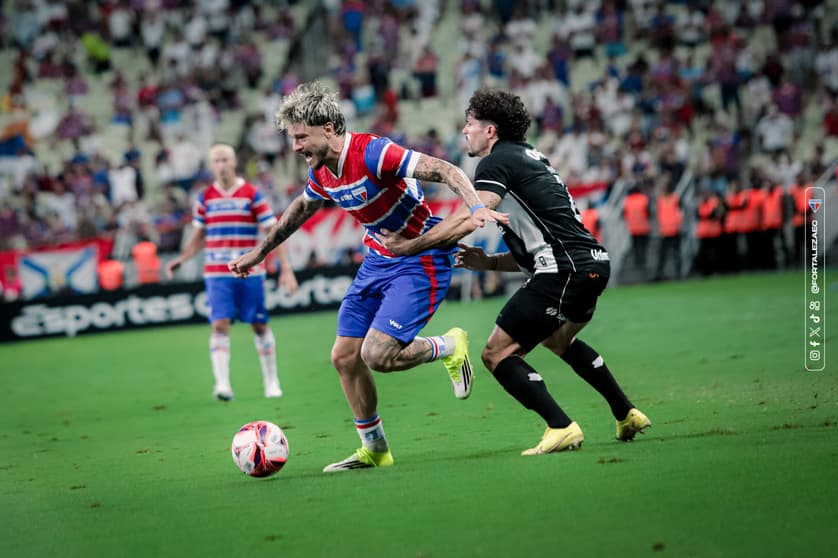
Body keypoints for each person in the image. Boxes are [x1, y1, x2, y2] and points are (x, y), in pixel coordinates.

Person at [228, 81, 507, 472]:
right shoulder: (322, 170)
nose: (295, 147)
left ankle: (447, 346)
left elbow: (445, 169)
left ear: (328, 128)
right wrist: (260, 252)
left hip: (419, 258)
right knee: (344, 357)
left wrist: (475, 207)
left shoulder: (374, 152)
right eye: (292, 138)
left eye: (300, 137)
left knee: (376, 355)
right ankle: (375, 449)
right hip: (377, 259)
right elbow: (300, 209)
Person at [377, 88, 651, 455]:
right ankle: (626, 413)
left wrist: (408, 247)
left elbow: (473, 215)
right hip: (590, 264)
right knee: (559, 341)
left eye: (470, 124)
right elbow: (539, 245)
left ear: (490, 131)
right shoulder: (531, 157)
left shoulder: (495, 162)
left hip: (564, 271)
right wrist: (489, 263)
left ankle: (561, 426)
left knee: (496, 354)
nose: (464, 131)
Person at [166, 144, 299, 401]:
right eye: (216, 161)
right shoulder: (205, 198)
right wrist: (181, 259)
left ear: (234, 162)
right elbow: (198, 236)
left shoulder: (252, 194)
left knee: (259, 325)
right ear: (211, 165)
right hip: (216, 272)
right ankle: (222, 385)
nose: (221, 165)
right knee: (219, 324)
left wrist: (286, 269)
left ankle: (272, 381)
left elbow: (274, 232)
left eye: (225, 159)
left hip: (250, 270)